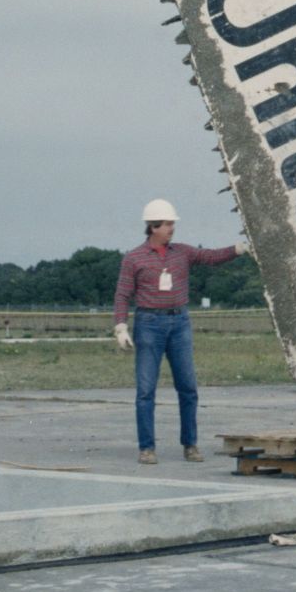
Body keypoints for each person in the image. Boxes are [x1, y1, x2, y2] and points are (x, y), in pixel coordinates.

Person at [112, 198, 247, 464]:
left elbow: (211, 256)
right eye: (168, 223)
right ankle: (147, 448)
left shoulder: (182, 253)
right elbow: (122, 294)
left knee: (188, 387)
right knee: (145, 390)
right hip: (149, 324)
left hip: (180, 324)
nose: (172, 228)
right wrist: (120, 326)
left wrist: (238, 249)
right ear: (153, 227)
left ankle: (190, 445)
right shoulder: (133, 259)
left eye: (172, 223)